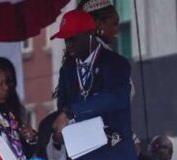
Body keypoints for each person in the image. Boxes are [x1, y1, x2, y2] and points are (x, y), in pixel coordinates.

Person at [51, 9, 134, 159]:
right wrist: (60, 133)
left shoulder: (116, 63)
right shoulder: (67, 69)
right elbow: (62, 107)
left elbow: (117, 98)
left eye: (72, 38)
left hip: (114, 153)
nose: (68, 44)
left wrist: (72, 111)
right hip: (82, 154)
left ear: (89, 34)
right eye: (65, 39)